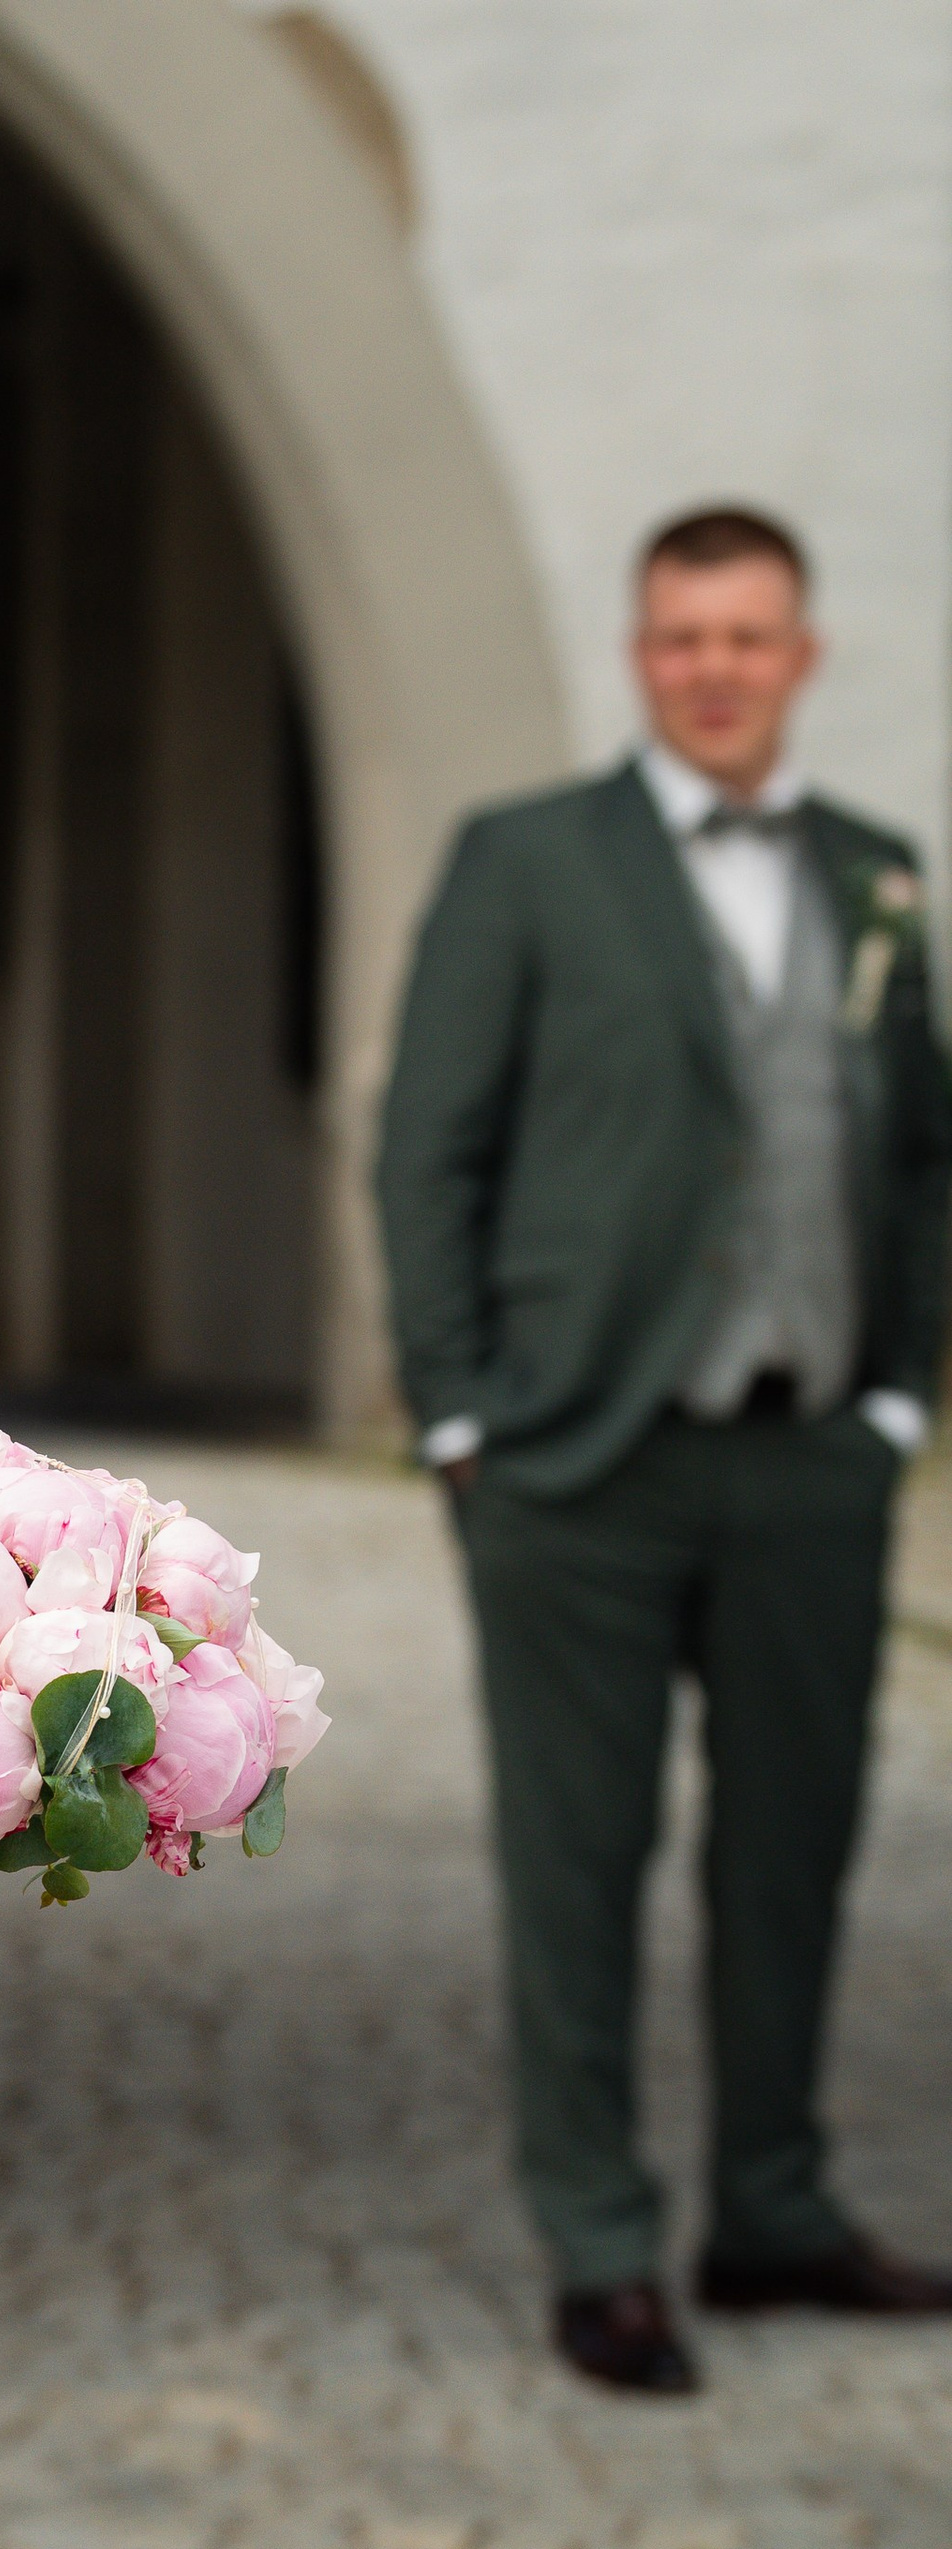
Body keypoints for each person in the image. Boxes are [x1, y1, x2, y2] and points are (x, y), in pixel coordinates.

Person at [379, 508, 952, 2395]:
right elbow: (429, 1150)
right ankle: (605, 2243)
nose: (716, 665)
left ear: (802, 655)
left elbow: (921, 1159)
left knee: (793, 1850)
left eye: (750, 636)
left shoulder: (877, 880)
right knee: (582, 1858)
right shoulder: (528, 862)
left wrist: (895, 1399)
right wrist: (460, 1417)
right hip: (579, 1464)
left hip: (810, 1458)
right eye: (684, 636)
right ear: (645, 655)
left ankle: (775, 2211)